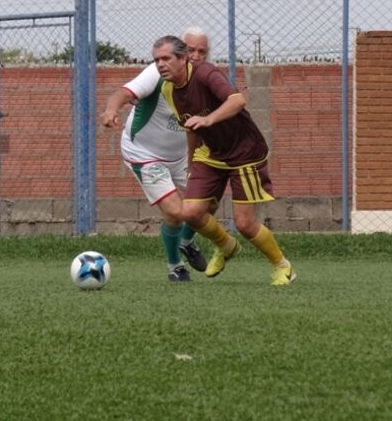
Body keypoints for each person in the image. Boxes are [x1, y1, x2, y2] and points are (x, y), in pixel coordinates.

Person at [152, 35, 295, 286]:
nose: (160, 64)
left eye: (166, 58)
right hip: (210, 154)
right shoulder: (167, 90)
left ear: (183, 58)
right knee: (191, 213)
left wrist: (209, 119)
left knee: (245, 223)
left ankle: (282, 266)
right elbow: (190, 127)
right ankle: (227, 246)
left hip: (244, 153)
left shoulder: (206, 73)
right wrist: (191, 163)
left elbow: (237, 100)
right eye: (156, 60)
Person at [100, 35, 211, 282]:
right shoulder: (154, 75)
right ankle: (175, 266)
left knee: (207, 201)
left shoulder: (204, 80)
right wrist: (111, 110)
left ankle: (186, 240)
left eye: (201, 51)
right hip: (145, 154)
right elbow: (122, 93)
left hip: (182, 155)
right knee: (174, 212)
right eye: (157, 59)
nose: (160, 63)